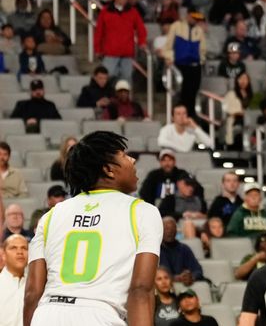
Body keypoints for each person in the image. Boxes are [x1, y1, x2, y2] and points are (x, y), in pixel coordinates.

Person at [23, 132, 162, 326]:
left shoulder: (50, 216)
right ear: (108, 169)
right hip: (100, 315)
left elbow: (32, 293)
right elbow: (141, 289)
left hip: (46, 314)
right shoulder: (143, 211)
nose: (132, 159)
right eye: (124, 155)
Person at [94, 0, 147, 83]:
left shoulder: (133, 12)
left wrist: (142, 42)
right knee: (107, 77)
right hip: (110, 52)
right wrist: (98, 49)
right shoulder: (105, 12)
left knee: (126, 79)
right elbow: (99, 32)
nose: (125, 0)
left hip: (126, 53)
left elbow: (141, 29)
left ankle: (124, 98)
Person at [164, 11, 207, 116]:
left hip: (195, 67)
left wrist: (201, 60)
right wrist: (169, 58)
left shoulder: (199, 30)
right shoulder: (176, 26)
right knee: (181, 94)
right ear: (188, 16)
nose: (195, 20)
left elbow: (203, 49)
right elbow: (168, 45)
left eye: (197, 18)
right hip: (180, 65)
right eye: (194, 17)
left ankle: (191, 117)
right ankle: (179, 116)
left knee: (192, 93)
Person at [159, 216, 203, 287]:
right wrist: (173, 278)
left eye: (172, 229)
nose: (169, 231)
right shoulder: (155, 250)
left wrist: (191, 277)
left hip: (184, 287)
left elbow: (198, 270)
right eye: (166, 229)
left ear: (176, 231)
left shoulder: (184, 249)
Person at [0, 234, 28, 326]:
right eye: (13, 248)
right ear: (3, 255)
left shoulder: (36, 286)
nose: (20, 252)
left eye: (24, 248)